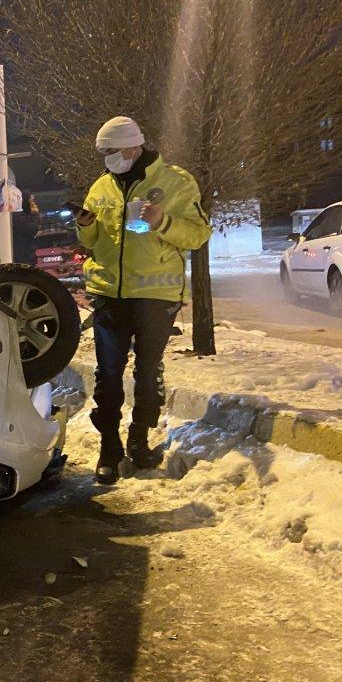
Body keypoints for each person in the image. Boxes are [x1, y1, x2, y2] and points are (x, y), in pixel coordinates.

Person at [76, 116, 211, 484]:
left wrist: (163, 222)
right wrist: (86, 225)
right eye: (104, 152)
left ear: (134, 147)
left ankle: (139, 441)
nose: (107, 158)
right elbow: (89, 242)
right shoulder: (101, 187)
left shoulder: (175, 182)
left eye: (112, 151)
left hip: (155, 296)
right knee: (107, 375)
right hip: (109, 294)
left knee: (148, 373)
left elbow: (198, 234)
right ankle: (109, 447)